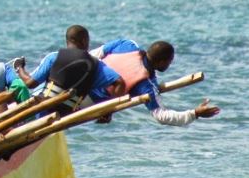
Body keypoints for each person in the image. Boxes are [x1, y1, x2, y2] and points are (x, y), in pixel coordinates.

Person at [91, 38, 220, 126]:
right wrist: (195, 113)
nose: (170, 64)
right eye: (170, 61)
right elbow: (161, 116)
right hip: (89, 101)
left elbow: (93, 54)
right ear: (161, 62)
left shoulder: (127, 44)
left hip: (79, 79)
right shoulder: (145, 84)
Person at [11, 25, 125, 112]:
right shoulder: (96, 64)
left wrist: (19, 68)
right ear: (85, 41)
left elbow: (30, 84)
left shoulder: (54, 57)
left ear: (67, 41)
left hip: (43, 108)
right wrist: (109, 111)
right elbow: (120, 83)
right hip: (68, 112)